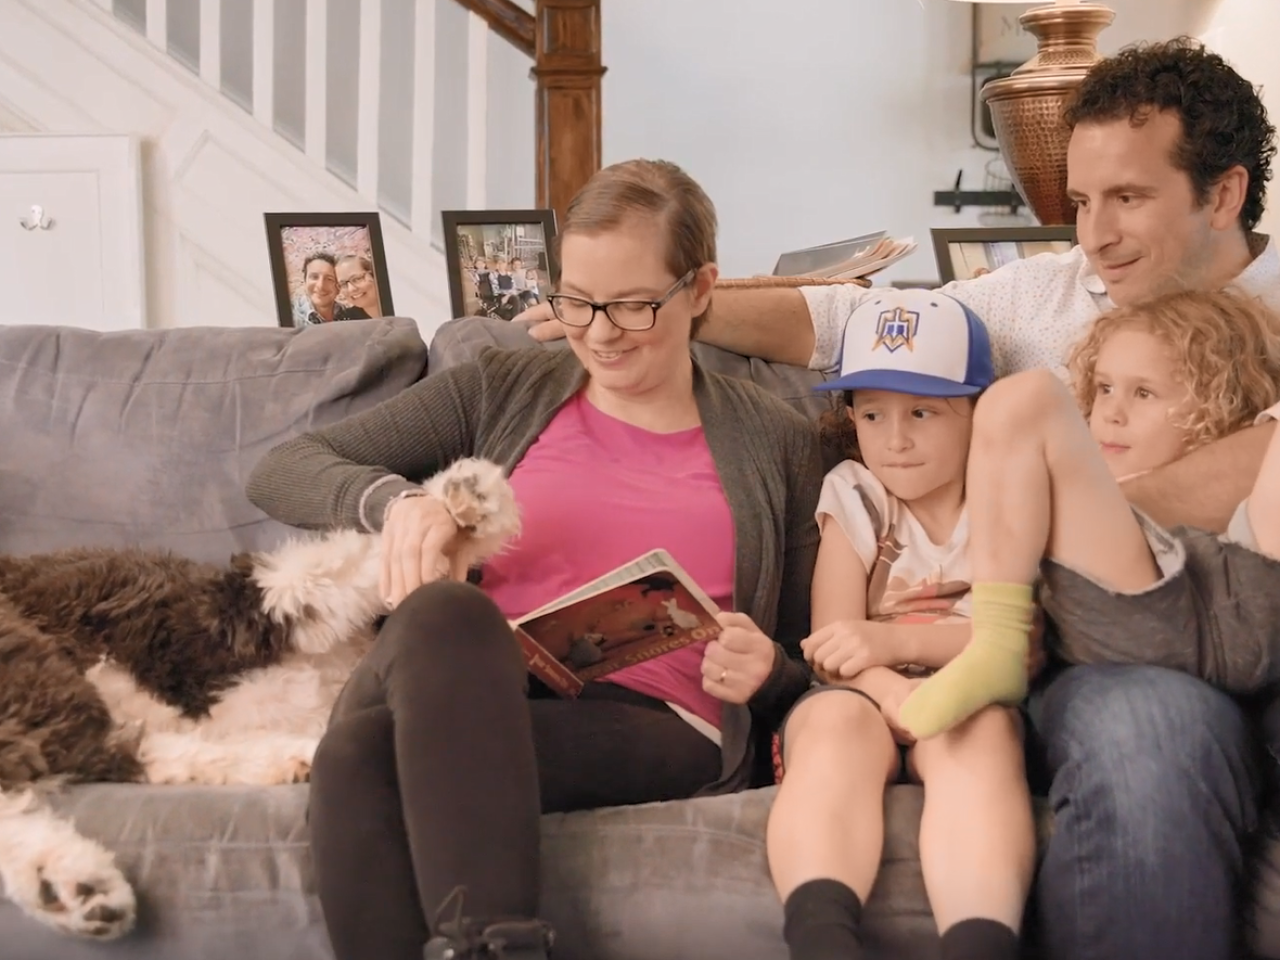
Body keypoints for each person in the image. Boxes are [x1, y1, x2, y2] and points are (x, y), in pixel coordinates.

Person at [519, 37, 1280, 960]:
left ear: (1225, 193)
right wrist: (646, 306)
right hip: (1077, 657)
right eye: (1082, 202)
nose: (1094, 235)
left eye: (1129, 199)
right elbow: (852, 326)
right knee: (1151, 725)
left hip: (1240, 621)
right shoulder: (1045, 301)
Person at [245, 158, 824, 960]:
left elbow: (811, 651)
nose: (599, 332)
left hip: (659, 722)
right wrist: (400, 502)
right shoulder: (500, 386)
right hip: (466, 684)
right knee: (448, 612)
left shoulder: (779, 441)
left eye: (631, 305)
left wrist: (773, 671)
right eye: (577, 301)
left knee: (357, 757)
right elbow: (282, 469)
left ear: (699, 290)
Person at [768, 289, 1035, 960]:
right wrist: (893, 691)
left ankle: (979, 946)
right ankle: (823, 943)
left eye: (923, 411)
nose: (896, 438)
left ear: (979, 413)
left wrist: (900, 643)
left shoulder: (1007, 496)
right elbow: (833, 644)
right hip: (862, 690)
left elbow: (1021, 643)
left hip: (969, 685)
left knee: (977, 731)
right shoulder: (855, 494)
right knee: (835, 727)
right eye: (873, 414)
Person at [897, 288, 1280, 737]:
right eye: (1104, 388)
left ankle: (996, 642)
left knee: (1026, 397)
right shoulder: (1068, 488)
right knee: (1021, 397)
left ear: (1223, 402)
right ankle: (998, 639)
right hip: (1149, 623)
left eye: (1144, 392)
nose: (1112, 413)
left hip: (1252, 605)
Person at [296, 252, 367, 325]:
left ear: (339, 287)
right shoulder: (289, 318)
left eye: (329, 279)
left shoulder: (350, 316)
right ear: (305, 281)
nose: (321, 285)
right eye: (314, 277)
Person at [335, 253, 382, 318]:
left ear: (373, 275)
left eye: (357, 279)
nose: (351, 289)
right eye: (343, 284)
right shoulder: (346, 320)